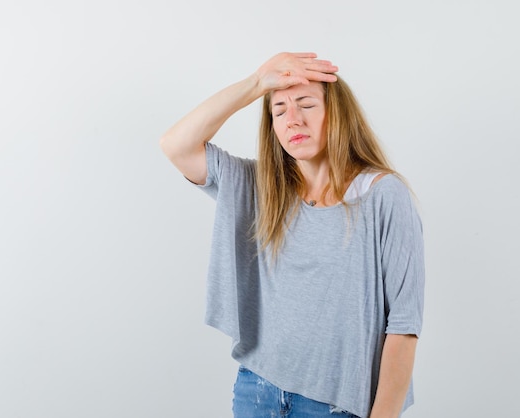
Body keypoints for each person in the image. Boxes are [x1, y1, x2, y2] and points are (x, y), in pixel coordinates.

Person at [159, 52, 425, 418]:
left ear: (337, 114)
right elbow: (176, 145)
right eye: (279, 110)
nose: (293, 119)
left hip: (336, 406)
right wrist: (256, 84)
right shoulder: (260, 188)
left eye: (306, 104)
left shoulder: (383, 194)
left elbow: (403, 327)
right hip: (257, 390)